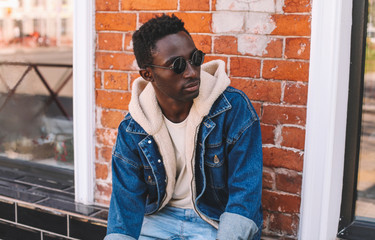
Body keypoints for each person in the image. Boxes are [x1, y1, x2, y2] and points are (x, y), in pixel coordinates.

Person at [105, 14, 263, 240]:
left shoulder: (233, 109)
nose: (191, 72)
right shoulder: (133, 128)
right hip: (158, 220)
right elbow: (125, 205)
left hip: (215, 221)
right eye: (177, 65)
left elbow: (245, 194)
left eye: (195, 58)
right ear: (148, 74)